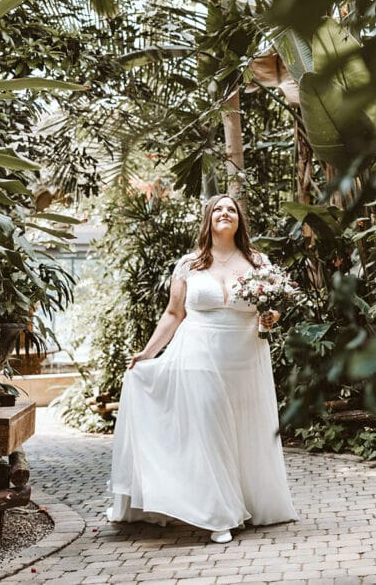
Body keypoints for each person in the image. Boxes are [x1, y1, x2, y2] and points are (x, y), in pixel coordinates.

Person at [106, 194, 299, 543]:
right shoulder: (190, 263)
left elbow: (274, 304)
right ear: (208, 219)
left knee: (242, 431)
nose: (225, 213)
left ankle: (248, 501)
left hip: (245, 356)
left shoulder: (257, 261)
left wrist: (271, 317)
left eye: (232, 209)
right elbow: (173, 314)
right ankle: (218, 515)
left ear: (240, 220)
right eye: (218, 209)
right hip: (197, 351)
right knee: (210, 429)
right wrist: (149, 352)